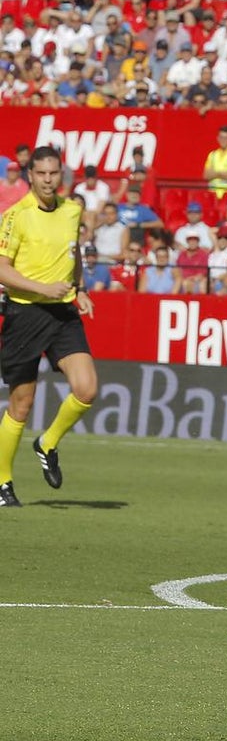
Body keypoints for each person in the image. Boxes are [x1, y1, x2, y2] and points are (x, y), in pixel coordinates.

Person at [0, 147, 98, 508]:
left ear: (61, 175)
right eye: (41, 173)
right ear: (30, 176)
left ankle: (47, 442)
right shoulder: (16, 216)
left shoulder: (73, 210)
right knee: (21, 405)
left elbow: (73, 256)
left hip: (62, 313)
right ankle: (3, 482)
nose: (47, 179)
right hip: (25, 314)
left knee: (86, 389)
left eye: (53, 173)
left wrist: (81, 288)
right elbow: (2, 268)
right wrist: (43, 288)